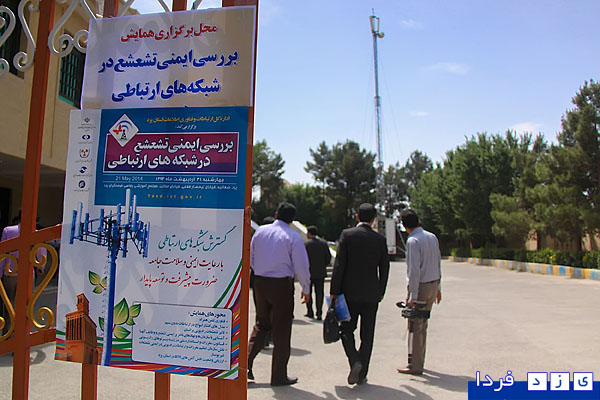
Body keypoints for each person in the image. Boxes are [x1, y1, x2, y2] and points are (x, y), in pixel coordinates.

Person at [247, 202, 311, 386]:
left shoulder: (260, 232)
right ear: (292, 219)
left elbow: (251, 257)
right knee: (282, 329)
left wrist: (259, 271)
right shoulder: (292, 236)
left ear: (275, 214)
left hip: (260, 282)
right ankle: (278, 376)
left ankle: (244, 367)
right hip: (281, 284)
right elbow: (301, 265)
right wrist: (306, 288)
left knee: (261, 324)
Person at [330, 203, 390, 385]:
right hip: (372, 294)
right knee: (367, 333)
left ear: (357, 217)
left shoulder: (347, 235)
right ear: (373, 220)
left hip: (348, 294)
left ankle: (354, 360)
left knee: (346, 329)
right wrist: (381, 291)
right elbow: (385, 267)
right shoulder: (379, 239)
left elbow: (339, 264)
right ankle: (362, 374)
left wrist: (334, 291)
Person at [397, 208, 442, 376]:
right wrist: (438, 287)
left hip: (421, 287)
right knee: (423, 325)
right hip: (432, 284)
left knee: (415, 326)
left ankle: (415, 365)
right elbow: (437, 262)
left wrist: (412, 296)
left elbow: (414, 271)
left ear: (404, 225)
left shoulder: (413, 241)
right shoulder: (431, 237)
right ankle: (419, 360)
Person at [0, 210, 46, 335]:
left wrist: (1, 271)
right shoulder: (36, 233)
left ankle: (8, 333)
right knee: (26, 305)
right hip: (27, 272)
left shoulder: (8, 231)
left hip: (9, 272)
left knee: (8, 305)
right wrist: (40, 267)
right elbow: (41, 252)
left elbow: (3, 252)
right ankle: (22, 333)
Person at [304, 225, 331, 320]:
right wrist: (323, 265)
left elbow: (303, 258)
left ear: (309, 233)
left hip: (309, 272)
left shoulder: (306, 244)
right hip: (320, 272)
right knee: (319, 293)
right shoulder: (323, 243)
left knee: (308, 292)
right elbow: (328, 257)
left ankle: (310, 311)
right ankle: (319, 313)